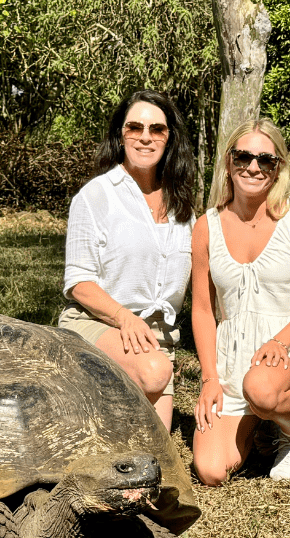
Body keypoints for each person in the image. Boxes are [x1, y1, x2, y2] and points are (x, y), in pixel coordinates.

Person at [191, 119, 290, 485]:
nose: (253, 167)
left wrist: (280, 340)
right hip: (232, 362)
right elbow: (203, 310)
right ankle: (263, 423)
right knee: (210, 470)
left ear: (278, 166)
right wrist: (209, 378)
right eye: (244, 156)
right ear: (228, 161)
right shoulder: (206, 226)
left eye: (265, 160)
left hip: (288, 350)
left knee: (263, 388)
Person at [60, 90, 195, 431]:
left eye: (157, 130)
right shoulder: (96, 196)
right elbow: (78, 282)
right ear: (120, 136)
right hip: (100, 323)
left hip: (156, 340)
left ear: (170, 138)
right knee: (154, 372)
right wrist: (124, 318)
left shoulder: (183, 207)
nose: (145, 137)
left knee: (156, 448)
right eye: (135, 127)